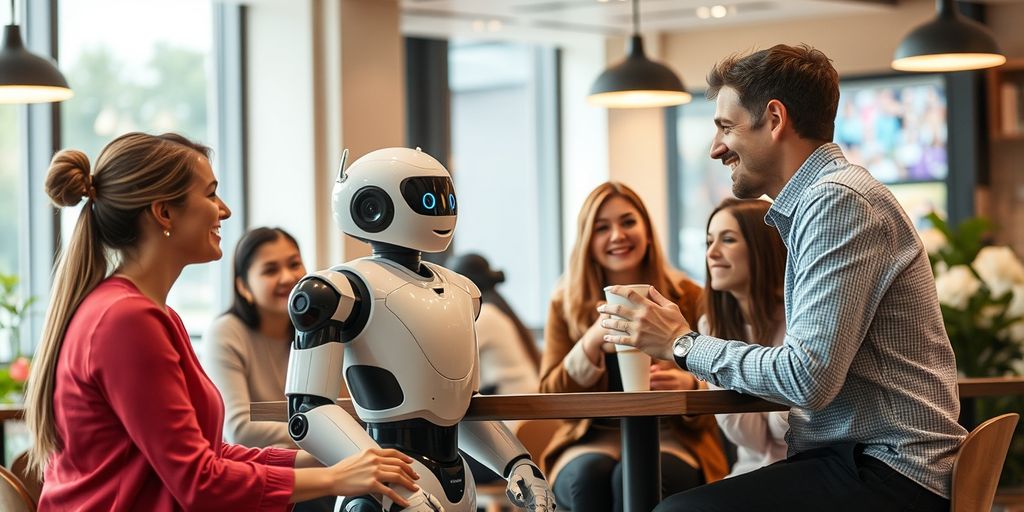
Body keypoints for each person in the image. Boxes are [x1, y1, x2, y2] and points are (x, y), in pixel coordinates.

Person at [600, 44, 966, 511]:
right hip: (864, 461)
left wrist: (682, 343)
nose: (715, 148)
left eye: (726, 127)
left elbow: (806, 377)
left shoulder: (836, 202)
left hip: (889, 468)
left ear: (774, 119)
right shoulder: (827, 201)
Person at [23, 132, 420, 511]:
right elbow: (200, 482)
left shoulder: (150, 314)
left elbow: (211, 454)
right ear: (164, 213)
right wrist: (335, 479)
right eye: (211, 194)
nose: (225, 210)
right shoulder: (127, 321)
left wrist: (336, 458)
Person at [540, 181, 727, 512]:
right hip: (590, 439)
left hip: (673, 437)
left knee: (636, 475)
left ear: (647, 231)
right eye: (602, 227)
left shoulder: (688, 296)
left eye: (628, 222)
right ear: (587, 240)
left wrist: (689, 384)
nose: (617, 235)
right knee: (587, 477)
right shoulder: (565, 303)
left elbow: (721, 383)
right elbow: (550, 397)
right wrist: (591, 340)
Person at [201, 227, 336, 512]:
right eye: (270, 270)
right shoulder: (226, 332)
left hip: (312, 466)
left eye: (294, 264)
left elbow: (341, 410)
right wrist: (321, 436)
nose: (287, 277)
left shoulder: (319, 330)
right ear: (243, 287)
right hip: (257, 478)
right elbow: (239, 430)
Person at [699, 198, 788, 477]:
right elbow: (751, 439)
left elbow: (786, 430)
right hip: (749, 470)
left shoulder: (800, 319)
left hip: (809, 467)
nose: (712, 253)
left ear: (763, 249)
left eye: (727, 240)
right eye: (709, 242)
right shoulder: (711, 326)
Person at [448, 252, 540, 396]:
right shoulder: (498, 308)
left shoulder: (485, 315)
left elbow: (450, 356)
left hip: (513, 403)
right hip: (525, 399)